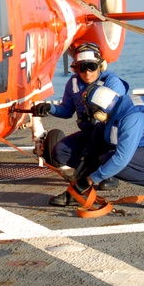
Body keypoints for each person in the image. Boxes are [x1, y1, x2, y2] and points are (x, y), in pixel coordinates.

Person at [55, 84, 144, 208]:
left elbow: (121, 159)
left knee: (113, 161)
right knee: (99, 133)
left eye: (91, 110)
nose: (90, 114)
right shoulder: (122, 105)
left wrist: (92, 179)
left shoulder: (133, 119)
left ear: (100, 111)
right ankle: (76, 192)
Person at [32, 41, 128, 197]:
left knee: (104, 140)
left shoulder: (112, 82)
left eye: (91, 66)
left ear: (100, 66)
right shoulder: (73, 83)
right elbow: (66, 110)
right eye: (82, 67)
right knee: (60, 152)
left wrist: (98, 116)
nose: (87, 72)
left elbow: (120, 112)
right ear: (76, 68)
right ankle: (93, 169)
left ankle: (111, 172)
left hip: (109, 134)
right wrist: (49, 108)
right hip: (89, 133)